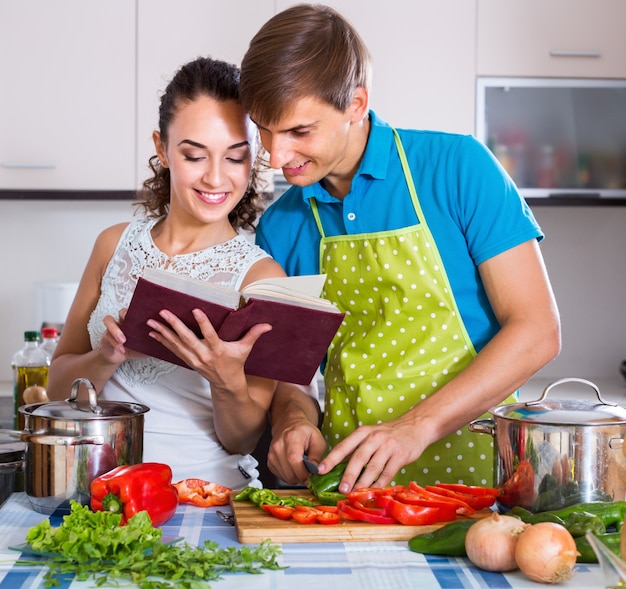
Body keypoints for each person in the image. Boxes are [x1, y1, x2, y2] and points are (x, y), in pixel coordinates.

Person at [239, 4, 561, 493]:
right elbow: (292, 378)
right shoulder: (281, 227)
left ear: (356, 104)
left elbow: (537, 329)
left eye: (298, 132)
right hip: (351, 494)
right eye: (263, 128)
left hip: (481, 488)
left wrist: (416, 427)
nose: (275, 156)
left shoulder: (458, 168)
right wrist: (291, 422)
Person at [46, 56, 290, 489]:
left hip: (201, 493)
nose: (215, 178)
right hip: (98, 486)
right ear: (162, 147)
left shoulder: (262, 277)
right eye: (194, 155)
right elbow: (55, 389)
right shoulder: (113, 244)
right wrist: (106, 358)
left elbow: (243, 438)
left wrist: (225, 378)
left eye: (235, 158)